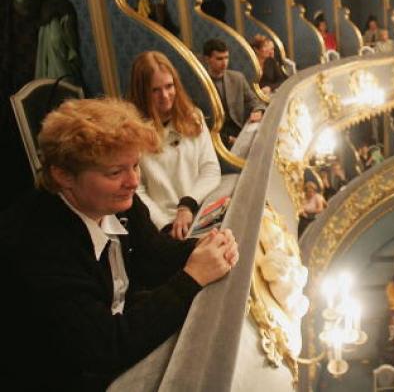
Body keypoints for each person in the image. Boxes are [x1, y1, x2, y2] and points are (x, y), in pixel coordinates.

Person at [0, 98, 239, 390]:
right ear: (63, 176)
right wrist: (191, 279)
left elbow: (152, 255)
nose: (133, 181)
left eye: (136, 165)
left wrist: (204, 247)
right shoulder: (38, 245)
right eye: (115, 173)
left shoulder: (117, 200)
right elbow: (106, 348)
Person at [129, 51, 221, 237]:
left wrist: (187, 206)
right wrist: (165, 225)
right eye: (155, 90)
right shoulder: (132, 131)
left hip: (199, 211)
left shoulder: (194, 117)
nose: (165, 95)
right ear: (141, 93)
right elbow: (136, 190)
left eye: (169, 86)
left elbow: (210, 170)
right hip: (162, 227)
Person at [201, 39, 265, 147]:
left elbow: (254, 101)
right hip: (216, 137)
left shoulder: (237, 78)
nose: (224, 63)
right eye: (219, 59)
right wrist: (228, 140)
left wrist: (258, 111)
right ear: (207, 59)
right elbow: (203, 124)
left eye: (226, 58)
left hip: (239, 130)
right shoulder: (200, 84)